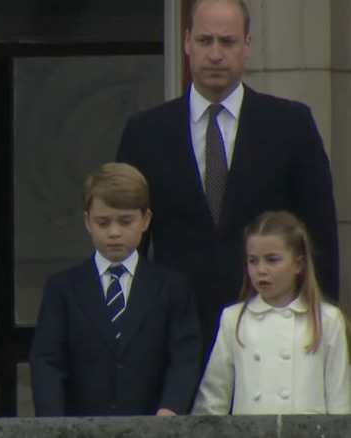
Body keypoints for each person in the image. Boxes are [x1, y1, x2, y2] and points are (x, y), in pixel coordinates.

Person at [116, 0, 339, 354]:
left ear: (247, 45)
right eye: (205, 41)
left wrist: (321, 328)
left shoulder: (291, 127)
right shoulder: (145, 133)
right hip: (174, 340)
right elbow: (128, 246)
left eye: (228, 41)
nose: (216, 54)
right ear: (186, 42)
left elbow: (319, 237)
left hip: (273, 335)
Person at [29, 163, 202, 416]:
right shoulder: (62, 289)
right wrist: (53, 423)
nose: (114, 232)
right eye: (103, 222)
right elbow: (47, 362)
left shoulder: (172, 287)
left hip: (153, 427)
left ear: (145, 220)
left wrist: (170, 409)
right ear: (87, 222)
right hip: (79, 429)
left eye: (125, 221)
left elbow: (184, 357)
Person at [192, 211, 350, 414]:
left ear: (298, 264)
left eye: (272, 260)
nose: (261, 270)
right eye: (253, 261)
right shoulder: (234, 319)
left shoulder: (327, 320)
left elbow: (340, 401)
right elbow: (213, 398)